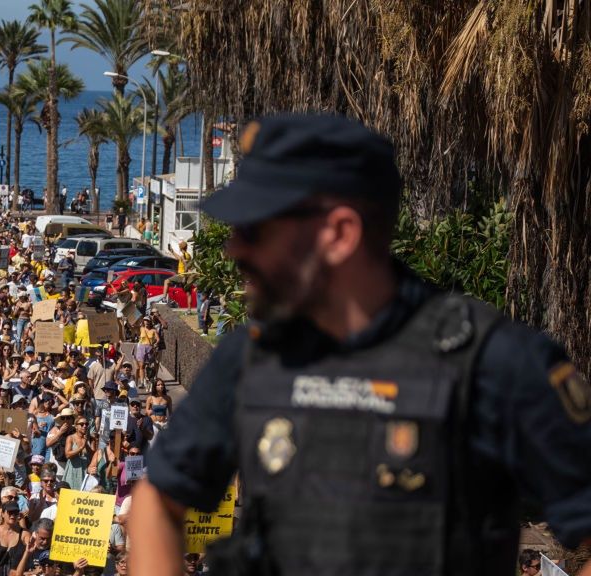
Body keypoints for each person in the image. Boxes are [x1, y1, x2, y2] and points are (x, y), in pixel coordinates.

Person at [131, 114, 591, 576]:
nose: (234, 250)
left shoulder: (497, 362)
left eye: (254, 232)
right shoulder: (251, 356)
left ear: (339, 234)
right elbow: (157, 501)